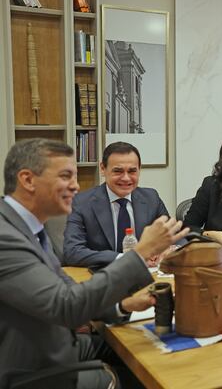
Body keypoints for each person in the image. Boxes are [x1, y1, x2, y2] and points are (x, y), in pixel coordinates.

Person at [0, 138, 188, 388]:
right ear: (27, 180)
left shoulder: (30, 229)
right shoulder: (6, 237)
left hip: (61, 345)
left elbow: (69, 292)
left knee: (158, 354)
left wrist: (124, 304)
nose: (76, 187)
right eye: (66, 176)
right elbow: (66, 306)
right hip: (34, 368)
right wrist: (140, 253)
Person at [63, 142, 171, 267]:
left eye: (132, 171)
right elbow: (72, 252)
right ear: (103, 169)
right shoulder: (81, 203)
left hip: (149, 276)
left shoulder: (151, 198)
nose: (126, 178)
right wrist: (127, 258)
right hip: (102, 277)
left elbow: (174, 235)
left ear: (139, 170)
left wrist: (168, 249)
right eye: (118, 171)